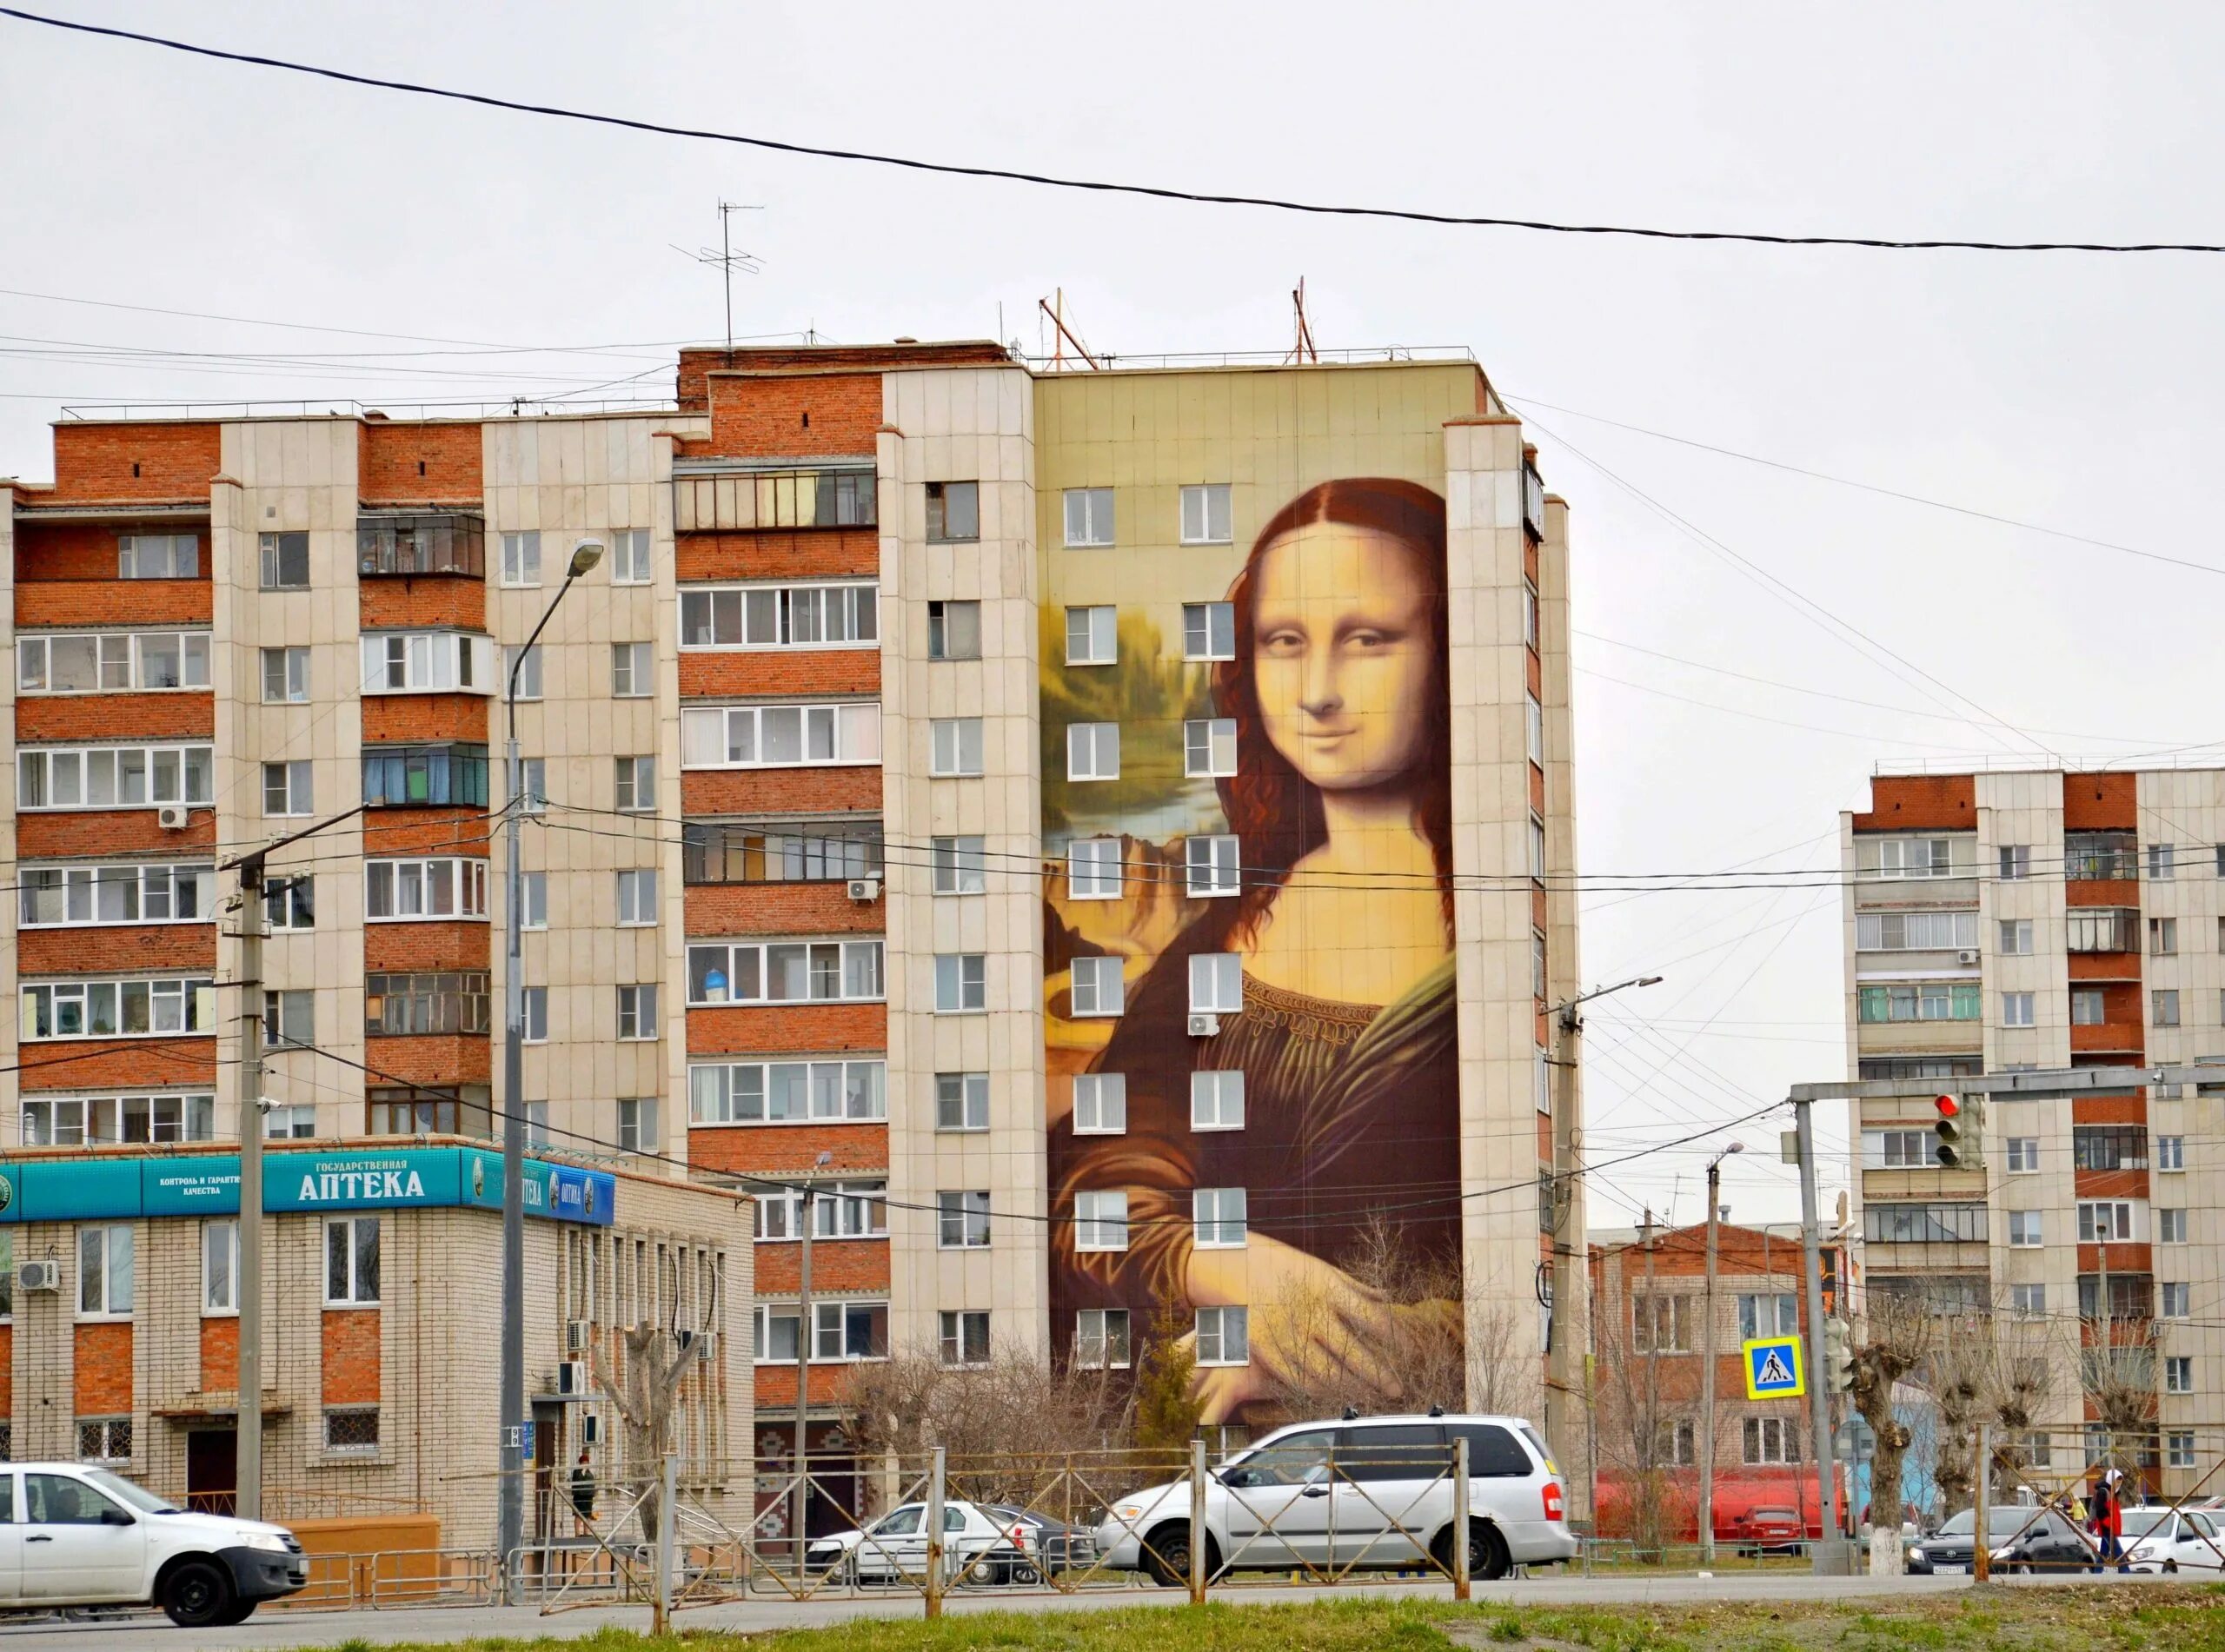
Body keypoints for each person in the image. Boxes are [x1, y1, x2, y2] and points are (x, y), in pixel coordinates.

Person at [1050, 477, 1462, 1423]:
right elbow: (1097, 1188)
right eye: (1285, 641)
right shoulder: (1223, 939)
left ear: (1446, 652)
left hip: (1414, 1435)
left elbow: (1511, 1262)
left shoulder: (1485, 933)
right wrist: (1234, 1269)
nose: (1317, 691)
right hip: (1218, 1427)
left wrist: (1348, 1348)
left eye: (1368, 638)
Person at [569, 1449, 596, 1535]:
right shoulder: (577, 1472)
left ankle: (586, 1532)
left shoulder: (590, 1473)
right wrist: (583, 1471)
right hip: (579, 1496)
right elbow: (578, 1480)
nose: (585, 1464)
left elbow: (592, 1483)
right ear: (580, 1463)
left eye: (586, 1462)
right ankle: (577, 1533)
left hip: (588, 1497)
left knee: (587, 1515)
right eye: (583, 1463)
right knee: (579, 1515)